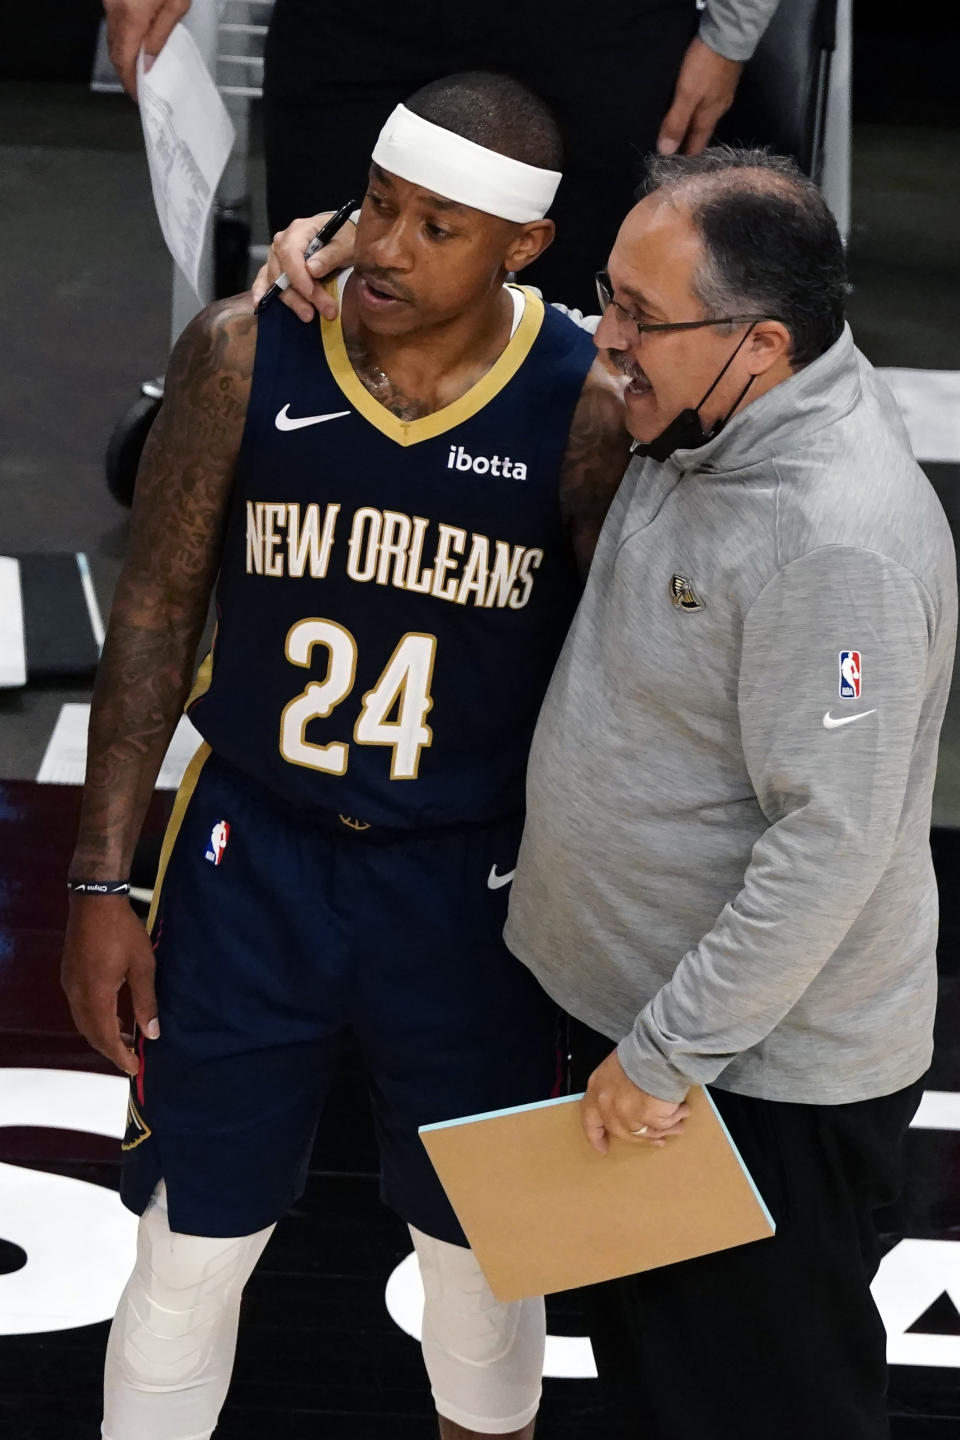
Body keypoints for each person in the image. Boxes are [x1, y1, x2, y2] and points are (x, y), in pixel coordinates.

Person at [60, 72, 632, 1440]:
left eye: (438, 227)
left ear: (524, 249)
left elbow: (633, 692)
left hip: (475, 890)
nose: (383, 246)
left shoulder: (588, 404)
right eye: (377, 205)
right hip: (249, 860)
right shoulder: (246, 352)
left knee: (487, 1266)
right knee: (188, 1252)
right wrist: (100, 884)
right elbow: (150, 615)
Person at [500, 148, 958, 1438]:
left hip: (746, 1090)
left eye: (641, 317)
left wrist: (661, 1060)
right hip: (652, 1049)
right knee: (659, 1393)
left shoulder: (839, 544)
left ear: (760, 344)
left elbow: (834, 842)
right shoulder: (711, 408)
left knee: (760, 1410)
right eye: (611, 295)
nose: (610, 342)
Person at [102, 0, 781, 310]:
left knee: (572, 352)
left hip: (596, 32)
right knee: (326, 304)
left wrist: (733, 29)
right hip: (357, 31)